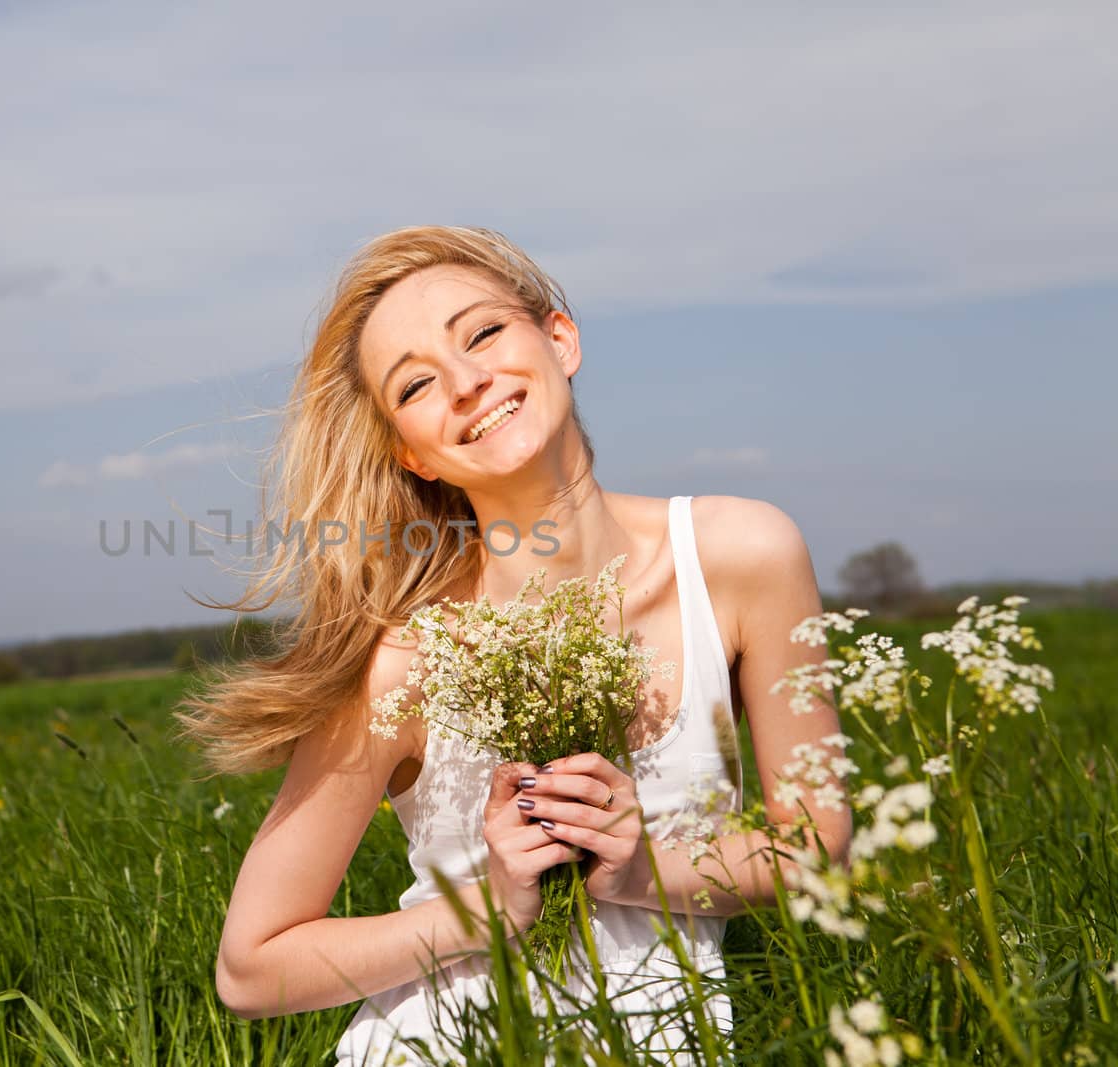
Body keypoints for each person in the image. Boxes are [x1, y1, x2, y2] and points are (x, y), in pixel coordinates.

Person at [176, 226, 851, 1064]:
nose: (466, 381)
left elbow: (821, 843)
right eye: (417, 383)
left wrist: (643, 868)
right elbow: (251, 968)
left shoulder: (745, 554)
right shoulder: (405, 659)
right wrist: (486, 909)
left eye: (484, 333)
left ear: (559, 338)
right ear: (408, 450)